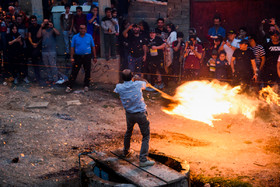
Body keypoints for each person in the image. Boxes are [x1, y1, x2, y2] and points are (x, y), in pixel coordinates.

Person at [114, 69, 155, 167]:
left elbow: (116, 90)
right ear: (132, 77)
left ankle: (126, 151)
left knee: (129, 132)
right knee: (146, 136)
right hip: (141, 114)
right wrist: (138, 78)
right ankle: (143, 160)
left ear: (122, 78)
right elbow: (147, 83)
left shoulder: (119, 87)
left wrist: (132, 79)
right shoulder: (138, 84)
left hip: (129, 114)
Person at [66, 24, 97, 93]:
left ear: (86, 29)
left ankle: (86, 85)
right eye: (81, 28)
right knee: (74, 71)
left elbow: (93, 47)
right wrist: (71, 57)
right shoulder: (75, 37)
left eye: (84, 29)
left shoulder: (89, 36)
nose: (83, 30)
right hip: (77, 57)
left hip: (87, 56)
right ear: (79, 29)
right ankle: (69, 86)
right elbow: (72, 48)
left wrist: (95, 56)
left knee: (87, 71)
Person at [37, 19, 60, 84]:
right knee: (46, 66)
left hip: (52, 51)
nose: (47, 25)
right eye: (46, 23)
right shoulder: (43, 30)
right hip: (44, 51)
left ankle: (55, 79)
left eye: (48, 23)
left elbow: (58, 33)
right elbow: (38, 36)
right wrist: (41, 27)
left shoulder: (52, 30)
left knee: (53, 66)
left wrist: (52, 27)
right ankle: (50, 78)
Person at [28, 15, 42, 83]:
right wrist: (32, 43)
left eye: (34, 20)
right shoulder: (30, 27)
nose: (33, 22)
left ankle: (39, 77)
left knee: (37, 60)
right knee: (34, 61)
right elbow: (29, 36)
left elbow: (41, 37)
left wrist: (37, 44)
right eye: (32, 21)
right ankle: (36, 77)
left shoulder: (39, 27)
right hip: (32, 46)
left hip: (38, 46)